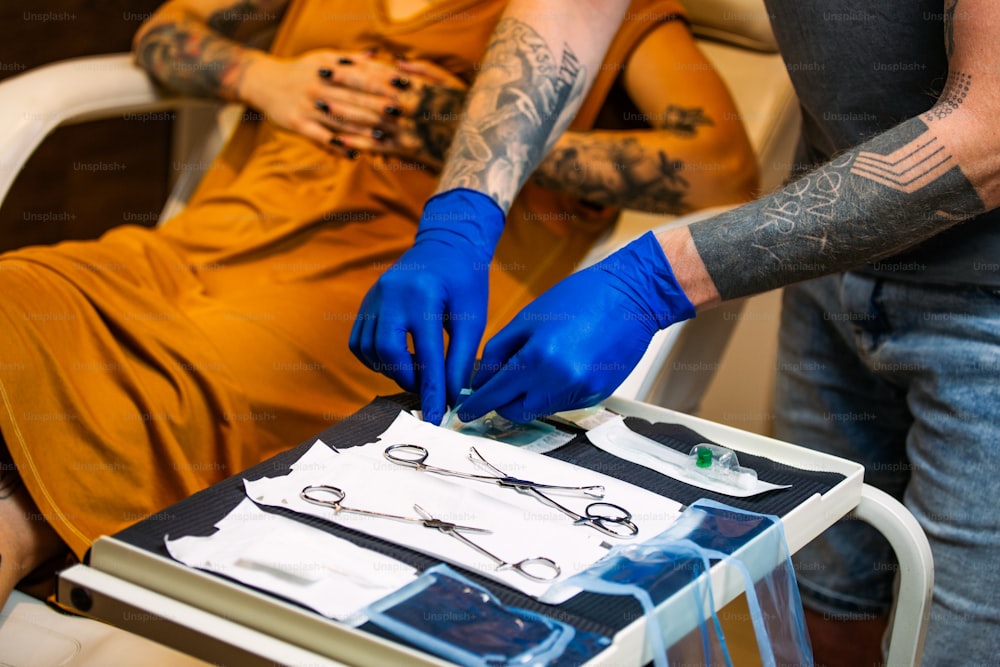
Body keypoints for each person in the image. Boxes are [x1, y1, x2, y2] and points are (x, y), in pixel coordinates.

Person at [0, 0, 757, 609]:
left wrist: (466, 129)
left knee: (157, 397)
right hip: (180, 255)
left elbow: (722, 171)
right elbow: (165, 30)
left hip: (353, 307)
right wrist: (263, 77)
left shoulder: (611, 17)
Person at [352, 0, 1000, 664]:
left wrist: (652, 281)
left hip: (989, 316)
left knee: (953, 648)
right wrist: (460, 213)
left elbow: (989, 129)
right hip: (834, 261)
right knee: (821, 613)